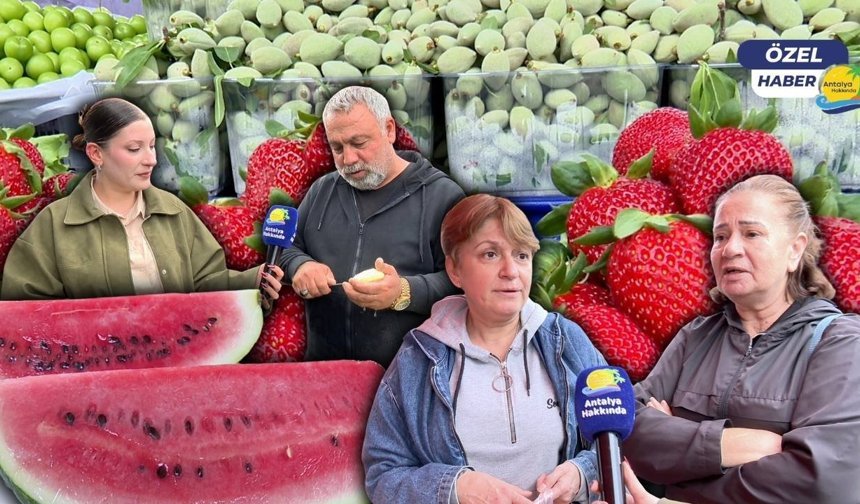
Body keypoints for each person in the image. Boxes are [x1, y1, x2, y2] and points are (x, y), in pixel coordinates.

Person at [624, 174, 860, 503]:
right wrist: (732, 444)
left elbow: (822, 482)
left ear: (795, 250)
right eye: (721, 236)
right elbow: (626, 427)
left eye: (751, 233)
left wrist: (677, 458)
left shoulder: (840, 342)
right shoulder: (696, 337)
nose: (731, 248)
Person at [362, 194, 607, 503]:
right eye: (490, 254)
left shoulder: (566, 341)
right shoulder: (419, 359)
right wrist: (454, 488)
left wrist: (582, 474)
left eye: (521, 255)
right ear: (454, 270)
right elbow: (383, 476)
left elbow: (618, 438)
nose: (511, 271)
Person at [1, 97, 283, 302]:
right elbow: (26, 309)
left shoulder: (174, 211)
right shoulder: (53, 223)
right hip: (97, 371)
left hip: (176, 358)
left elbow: (206, 284)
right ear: (96, 154)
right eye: (134, 149)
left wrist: (252, 281)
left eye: (151, 146)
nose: (151, 160)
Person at [278, 85, 464, 366]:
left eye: (359, 143)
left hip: (410, 380)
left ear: (389, 130)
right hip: (324, 376)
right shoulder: (322, 191)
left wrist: (403, 292)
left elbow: (465, 282)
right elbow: (287, 247)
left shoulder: (442, 197)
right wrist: (300, 266)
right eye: (337, 147)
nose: (348, 159)